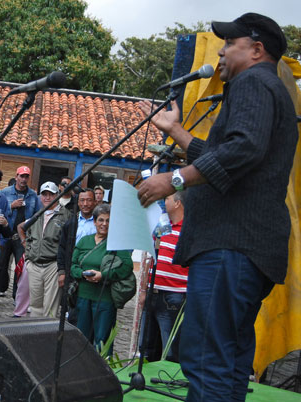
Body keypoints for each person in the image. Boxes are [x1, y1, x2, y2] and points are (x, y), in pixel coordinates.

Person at [137, 13, 297, 401]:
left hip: (230, 245)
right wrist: (177, 132)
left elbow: (243, 150)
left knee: (207, 360)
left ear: (256, 50)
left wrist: (172, 179)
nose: (221, 51)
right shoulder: (267, 88)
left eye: (230, 43)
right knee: (228, 363)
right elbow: (235, 154)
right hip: (247, 248)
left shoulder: (253, 83)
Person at [70, 204, 133, 351]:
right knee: (82, 338)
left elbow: (126, 267)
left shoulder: (117, 244)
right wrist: (82, 274)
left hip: (104, 299)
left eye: (108, 221)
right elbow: (72, 265)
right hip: (83, 296)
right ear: (94, 221)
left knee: (102, 340)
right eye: (101, 220)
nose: (104, 224)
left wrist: (103, 275)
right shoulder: (85, 241)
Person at [140, 190, 187, 362]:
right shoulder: (161, 227)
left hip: (174, 296)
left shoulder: (188, 230)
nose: (163, 202)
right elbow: (150, 259)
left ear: (177, 203)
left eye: (167, 198)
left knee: (170, 348)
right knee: (145, 345)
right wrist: (144, 290)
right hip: (153, 291)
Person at [18, 181, 70, 318]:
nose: (47, 197)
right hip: (34, 264)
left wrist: (62, 270)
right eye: (44, 194)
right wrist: (27, 249)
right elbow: (21, 228)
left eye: (51, 194)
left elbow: (68, 244)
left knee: (50, 307)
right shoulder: (38, 214)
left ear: (57, 195)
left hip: (53, 264)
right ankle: (35, 335)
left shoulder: (66, 216)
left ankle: (47, 335)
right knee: (35, 305)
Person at [0, 166, 41, 315]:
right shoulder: (5, 192)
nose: (23, 179)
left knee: (21, 268)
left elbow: (37, 215)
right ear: (16, 176)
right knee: (1, 264)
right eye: (21, 176)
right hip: (6, 233)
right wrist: (11, 206)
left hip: (22, 236)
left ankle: (17, 297)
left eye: (26, 177)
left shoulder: (33, 196)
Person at [57, 188, 97, 324]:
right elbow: (62, 248)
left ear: (95, 202)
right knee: (72, 307)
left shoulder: (100, 223)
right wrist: (62, 271)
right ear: (78, 203)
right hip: (74, 270)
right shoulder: (71, 222)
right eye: (82, 200)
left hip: (94, 271)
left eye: (89, 200)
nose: (85, 204)